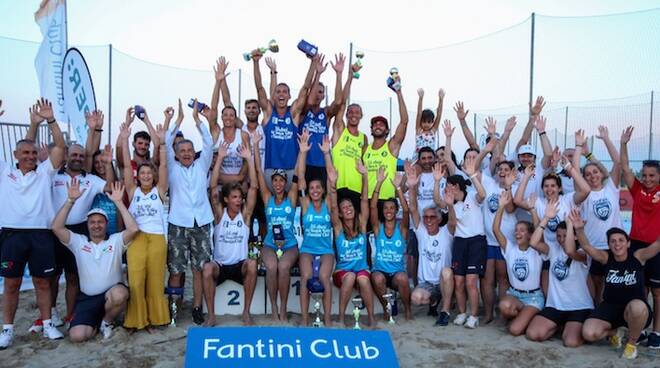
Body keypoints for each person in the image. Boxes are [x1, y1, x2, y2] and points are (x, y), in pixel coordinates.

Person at [0, 98, 66, 349]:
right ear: (16, 155)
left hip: (41, 234)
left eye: (32, 152)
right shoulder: (5, 172)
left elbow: (60, 146)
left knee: (42, 282)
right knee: (12, 284)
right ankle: (7, 330)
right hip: (12, 235)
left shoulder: (45, 172)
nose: (29, 156)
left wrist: (50, 120)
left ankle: (48, 324)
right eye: (24, 153)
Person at [51, 180, 138, 342]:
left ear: (106, 224)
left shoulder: (115, 240)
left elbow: (133, 229)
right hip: (87, 299)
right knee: (77, 336)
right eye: (92, 222)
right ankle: (97, 322)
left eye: (100, 222)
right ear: (87, 225)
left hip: (111, 296)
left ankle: (107, 321)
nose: (96, 225)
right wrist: (70, 201)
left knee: (120, 294)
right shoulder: (78, 242)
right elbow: (56, 227)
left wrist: (118, 202)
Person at [573, 208, 659, 359]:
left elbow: (657, 244)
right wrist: (579, 229)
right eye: (613, 241)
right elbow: (587, 247)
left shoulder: (638, 257)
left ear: (628, 243)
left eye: (621, 240)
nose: (617, 244)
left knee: (638, 306)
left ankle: (631, 344)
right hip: (610, 307)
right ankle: (615, 332)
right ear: (609, 245)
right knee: (588, 333)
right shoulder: (606, 258)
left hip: (634, 310)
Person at [164, 100, 215, 325]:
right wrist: (177, 122)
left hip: (202, 223)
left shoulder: (202, 165)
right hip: (178, 224)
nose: (186, 153)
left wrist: (197, 120)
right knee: (176, 269)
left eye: (189, 150)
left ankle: (196, 307)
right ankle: (173, 309)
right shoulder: (172, 167)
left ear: (195, 153)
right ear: (176, 154)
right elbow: (165, 143)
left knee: (199, 269)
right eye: (182, 150)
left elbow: (209, 141)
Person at [118, 121, 170, 331]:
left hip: (157, 238)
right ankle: (136, 320)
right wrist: (123, 140)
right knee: (137, 281)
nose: (146, 176)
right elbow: (124, 166)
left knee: (155, 281)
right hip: (136, 238)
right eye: (143, 173)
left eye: (149, 173)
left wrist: (163, 144)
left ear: (153, 176)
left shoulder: (160, 190)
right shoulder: (132, 191)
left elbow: (164, 166)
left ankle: (156, 320)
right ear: (138, 176)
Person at [202, 143, 258, 326]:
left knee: (252, 263)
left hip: (239, 265)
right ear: (226, 199)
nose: (239, 200)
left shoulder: (245, 215)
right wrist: (219, 159)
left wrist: (249, 159)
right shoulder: (220, 214)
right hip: (221, 265)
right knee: (207, 268)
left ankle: (246, 312)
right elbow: (212, 189)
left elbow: (253, 189)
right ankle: (211, 315)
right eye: (234, 197)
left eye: (239, 197)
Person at [253, 130, 305, 321]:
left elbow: (298, 174)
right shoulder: (267, 198)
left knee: (283, 268)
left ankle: (283, 307)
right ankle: (273, 307)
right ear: (272, 182)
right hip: (269, 244)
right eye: (274, 180)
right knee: (272, 266)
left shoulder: (291, 199)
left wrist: (301, 151)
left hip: (290, 245)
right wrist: (255, 147)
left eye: (281, 180)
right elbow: (259, 172)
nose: (278, 183)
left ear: (285, 182)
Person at [252, 50, 316, 191]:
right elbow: (259, 88)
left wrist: (313, 63)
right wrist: (256, 62)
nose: (281, 94)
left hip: (291, 169)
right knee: (271, 206)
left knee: (292, 207)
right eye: (278, 92)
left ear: (289, 96)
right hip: (270, 168)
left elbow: (305, 87)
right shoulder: (269, 112)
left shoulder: (293, 113)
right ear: (274, 96)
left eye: (284, 92)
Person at [620, 126, 660, 349]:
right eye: (644, 175)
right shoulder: (637, 190)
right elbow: (625, 167)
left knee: (658, 292)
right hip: (636, 245)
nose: (647, 179)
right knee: (640, 289)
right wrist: (624, 143)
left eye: (652, 175)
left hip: (657, 247)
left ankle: (657, 331)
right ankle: (642, 328)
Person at [526, 219, 594, 348]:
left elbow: (570, 251)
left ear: (574, 236)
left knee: (570, 342)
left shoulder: (583, 253)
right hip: (556, 305)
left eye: (565, 235)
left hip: (579, 307)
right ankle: (560, 326)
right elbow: (533, 243)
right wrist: (545, 218)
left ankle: (569, 328)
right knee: (533, 334)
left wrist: (570, 225)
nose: (561, 239)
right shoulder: (553, 249)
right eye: (558, 236)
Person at [437, 154, 487, 329]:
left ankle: (474, 316)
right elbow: (451, 226)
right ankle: (462, 312)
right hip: (459, 242)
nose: (446, 190)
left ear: (456, 186)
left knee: (470, 281)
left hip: (476, 242)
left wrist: (473, 175)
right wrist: (450, 205)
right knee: (458, 281)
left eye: (448, 187)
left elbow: (483, 194)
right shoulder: (452, 204)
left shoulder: (472, 195)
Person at [328, 157, 376, 327]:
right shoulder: (338, 228)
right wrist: (333, 186)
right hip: (343, 272)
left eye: (350, 207)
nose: (348, 209)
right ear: (340, 214)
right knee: (350, 277)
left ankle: (371, 318)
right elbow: (333, 207)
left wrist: (364, 176)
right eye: (344, 208)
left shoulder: (362, 224)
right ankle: (341, 318)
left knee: (362, 279)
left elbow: (364, 200)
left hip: (361, 270)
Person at [576, 126, 622, 304]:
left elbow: (617, 163)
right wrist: (579, 148)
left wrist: (606, 139)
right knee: (596, 285)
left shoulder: (611, 187)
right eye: (587, 174)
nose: (592, 176)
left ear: (601, 174)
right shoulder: (584, 192)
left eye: (595, 172)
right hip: (593, 246)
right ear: (584, 178)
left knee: (614, 285)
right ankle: (597, 314)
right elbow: (575, 170)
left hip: (614, 246)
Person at [406, 163, 456, 326]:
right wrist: (412, 187)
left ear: (439, 219)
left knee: (447, 272)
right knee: (416, 298)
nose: (428, 220)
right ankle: (434, 301)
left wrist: (449, 204)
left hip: (444, 280)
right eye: (426, 217)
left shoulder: (446, 232)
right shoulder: (421, 232)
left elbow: (453, 221)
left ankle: (445, 311)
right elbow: (413, 208)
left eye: (432, 217)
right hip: (427, 283)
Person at [494, 190, 548, 336]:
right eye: (516, 230)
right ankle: (524, 317)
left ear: (530, 234)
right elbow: (496, 230)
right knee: (504, 306)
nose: (517, 233)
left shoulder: (536, 250)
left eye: (522, 231)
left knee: (515, 330)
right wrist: (501, 207)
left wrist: (532, 210)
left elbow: (538, 231)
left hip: (533, 297)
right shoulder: (510, 249)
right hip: (514, 294)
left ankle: (529, 317)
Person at [297, 136, 335, 326]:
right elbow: (301, 176)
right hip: (308, 250)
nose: (314, 190)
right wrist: (303, 152)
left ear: (322, 190)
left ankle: (327, 319)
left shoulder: (328, 203)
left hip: (326, 250)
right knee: (305, 277)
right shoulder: (305, 204)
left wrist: (326, 153)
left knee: (323, 278)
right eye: (312, 188)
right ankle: (305, 319)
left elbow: (330, 174)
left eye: (317, 187)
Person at [370, 167, 412, 320]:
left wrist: (398, 188)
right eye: (386, 208)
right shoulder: (377, 228)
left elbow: (406, 211)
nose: (389, 211)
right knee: (377, 278)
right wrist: (379, 183)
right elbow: (372, 206)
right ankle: (387, 309)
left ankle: (407, 310)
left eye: (392, 208)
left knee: (403, 278)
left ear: (396, 210)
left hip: (396, 273)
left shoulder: (401, 229)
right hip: (380, 271)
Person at [299, 53, 345, 184]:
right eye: (316, 91)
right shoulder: (303, 111)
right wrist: (317, 73)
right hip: (304, 163)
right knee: (304, 201)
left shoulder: (325, 113)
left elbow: (338, 102)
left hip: (322, 164)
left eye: (321, 92)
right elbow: (311, 99)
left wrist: (339, 74)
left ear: (324, 96)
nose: (318, 95)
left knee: (321, 200)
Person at [363, 75, 409, 200]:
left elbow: (404, 121)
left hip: (387, 201)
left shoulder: (391, 146)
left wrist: (399, 92)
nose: (378, 126)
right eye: (375, 124)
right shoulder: (365, 149)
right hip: (367, 199)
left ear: (387, 130)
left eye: (382, 124)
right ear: (371, 129)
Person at [331, 60, 367, 212]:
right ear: (346, 115)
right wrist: (349, 76)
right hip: (338, 185)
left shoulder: (363, 138)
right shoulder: (340, 129)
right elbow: (341, 102)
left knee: (355, 225)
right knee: (339, 226)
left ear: (361, 116)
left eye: (356, 112)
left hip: (356, 188)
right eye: (350, 112)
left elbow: (365, 163)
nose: (353, 114)